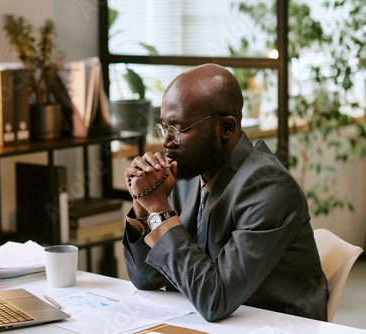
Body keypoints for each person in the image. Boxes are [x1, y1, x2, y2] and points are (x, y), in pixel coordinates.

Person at [122, 63, 328, 322]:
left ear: (226, 128)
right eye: (163, 127)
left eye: (178, 129)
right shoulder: (187, 173)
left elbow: (215, 300)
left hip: (276, 326)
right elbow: (145, 278)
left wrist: (159, 210)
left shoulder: (269, 188)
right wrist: (143, 205)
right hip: (213, 321)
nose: (166, 142)